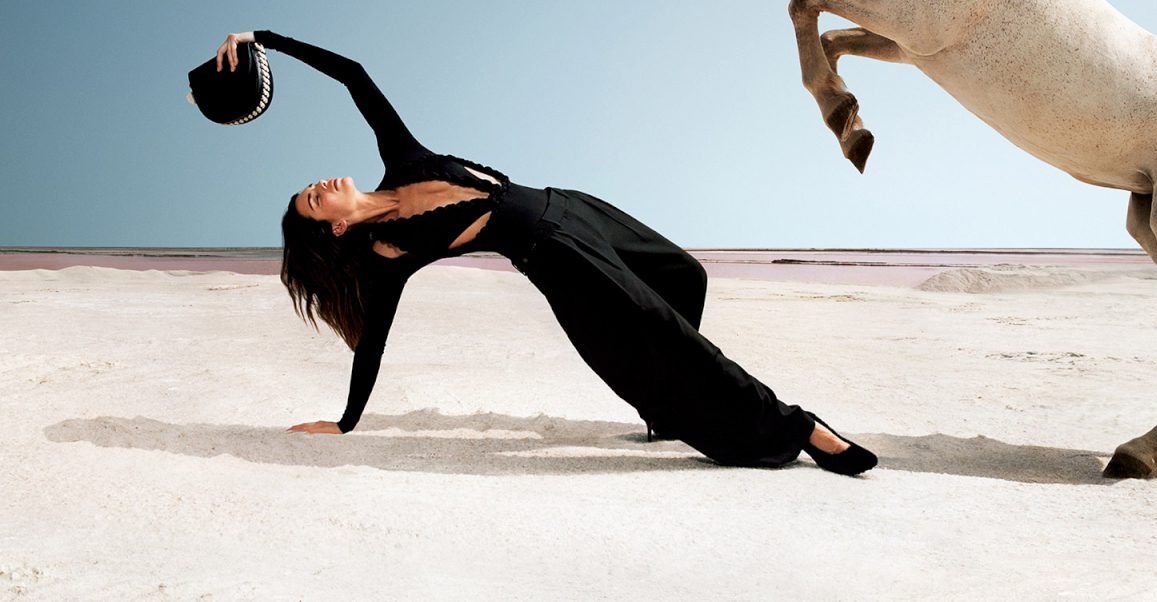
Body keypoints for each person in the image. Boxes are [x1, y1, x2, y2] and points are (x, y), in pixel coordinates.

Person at [215, 30, 876, 475]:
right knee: (667, 335)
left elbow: (353, 76)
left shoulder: (401, 159)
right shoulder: (389, 252)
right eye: (311, 200)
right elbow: (372, 344)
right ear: (329, 230)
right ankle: (796, 428)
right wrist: (346, 422)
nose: (318, 186)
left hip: (573, 206)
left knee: (683, 276)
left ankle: (667, 403)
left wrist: (263, 39)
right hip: (556, 254)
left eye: (308, 187)